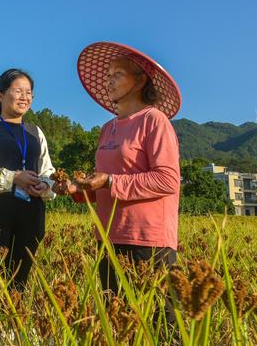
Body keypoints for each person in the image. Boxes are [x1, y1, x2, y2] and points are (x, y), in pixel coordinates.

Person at [53, 41, 181, 323]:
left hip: (147, 240)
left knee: (160, 326)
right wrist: (76, 189)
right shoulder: (107, 129)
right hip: (109, 236)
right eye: (108, 75)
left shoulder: (154, 121)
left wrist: (110, 181)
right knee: (118, 323)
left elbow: (168, 180)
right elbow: (104, 186)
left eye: (117, 75)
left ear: (140, 80)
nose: (109, 81)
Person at [0, 68, 56, 291]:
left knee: (20, 279)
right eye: (18, 91)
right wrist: (13, 177)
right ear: (1, 94)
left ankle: (13, 325)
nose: (24, 97)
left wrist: (45, 185)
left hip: (31, 212)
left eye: (29, 92)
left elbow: (48, 170)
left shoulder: (36, 131)